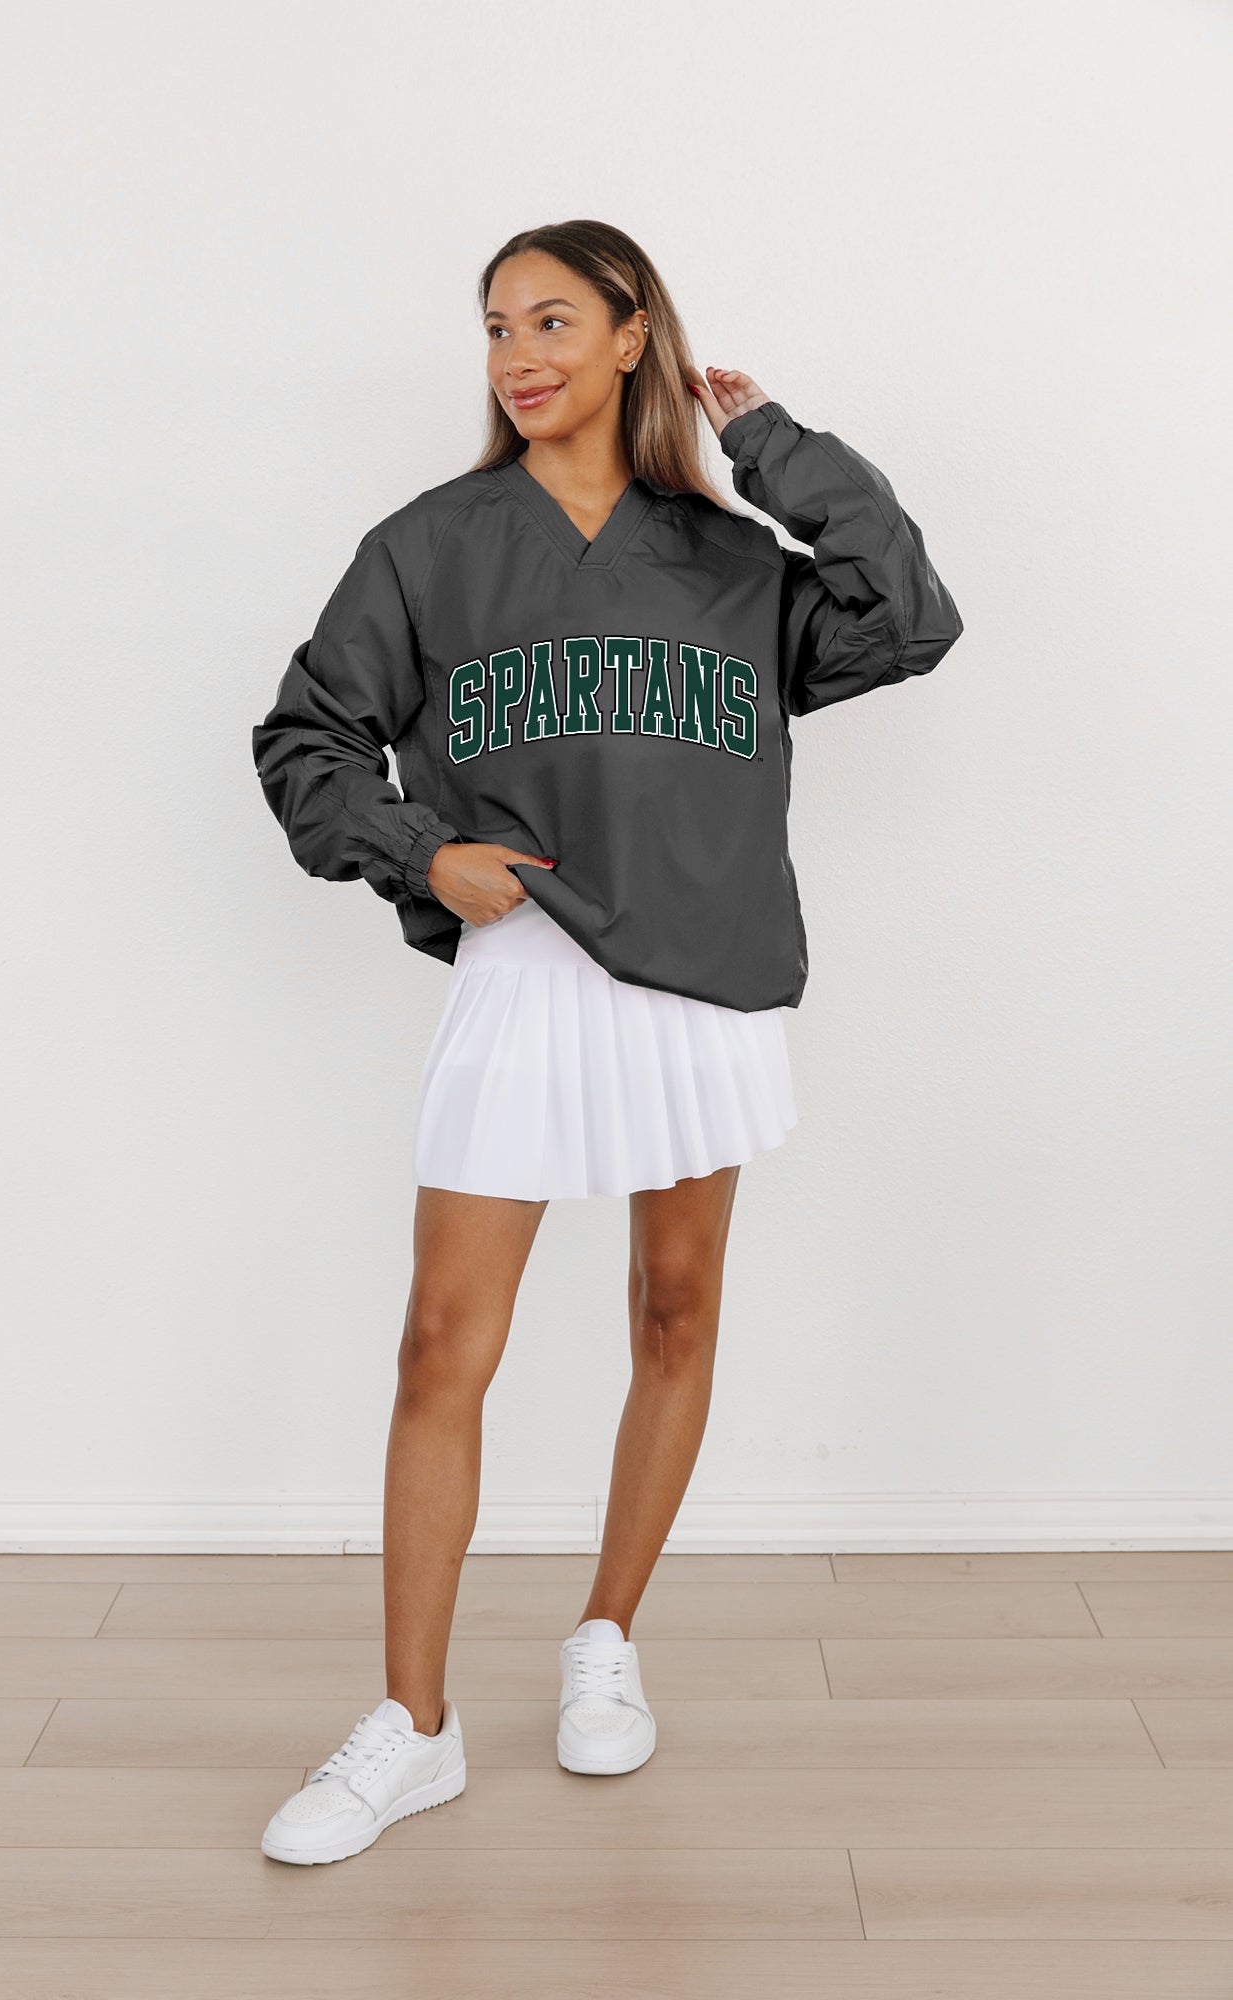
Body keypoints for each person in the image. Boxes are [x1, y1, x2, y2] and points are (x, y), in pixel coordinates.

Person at [251, 219, 963, 1865]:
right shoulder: (429, 548)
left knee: (674, 1306)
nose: (517, 354)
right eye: (497, 326)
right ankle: (412, 1727)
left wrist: (771, 441)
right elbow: (306, 737)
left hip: (704, 974)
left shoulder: (726, 558)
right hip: (529, 965)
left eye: (552, 319)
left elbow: (909, 617)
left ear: (634, 333)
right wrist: (419, 852)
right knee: (443, 1342)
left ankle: (606, 1636)